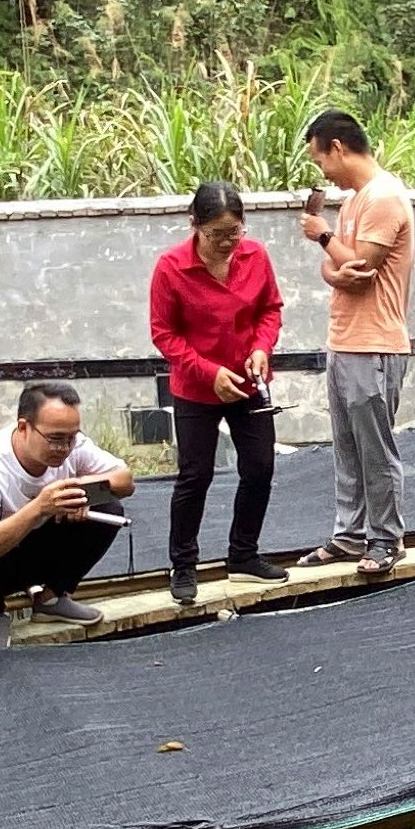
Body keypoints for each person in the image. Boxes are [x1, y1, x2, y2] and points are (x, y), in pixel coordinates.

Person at [149, 179, 288, 606]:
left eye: (235, 232)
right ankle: (183, 564)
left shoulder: (255, 255)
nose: (228, 242)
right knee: (196, 475)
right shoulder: (171, 267)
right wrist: (208, 372)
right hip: (196, 387)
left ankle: (243, 554)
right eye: (217, 234)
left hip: (249, 381)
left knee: (260, 466)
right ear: (195, 225)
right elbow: (164, 334)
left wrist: (263, 348)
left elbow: (270, 308)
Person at [297, 109, 414, 578]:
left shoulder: (384, 197)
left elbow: (361, 272)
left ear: (337, 148)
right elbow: (337, 271)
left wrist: (321, 234)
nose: (321, 171)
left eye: (320, 158)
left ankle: (386, 538)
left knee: (375, 448)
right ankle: (349, 534)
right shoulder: (352, 202)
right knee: (346, 445)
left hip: (376, 342)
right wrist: (332, 257)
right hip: (343, 339)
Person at [0, 383, 135, 650]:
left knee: (108, 508)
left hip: (38, 544)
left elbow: (125, 481)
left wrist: (79, 490)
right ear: (23, 428)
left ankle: (51, 599)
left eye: (72, 437)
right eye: (56, 439)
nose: (65, 448)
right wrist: (39, 507)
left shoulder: (73, 444)